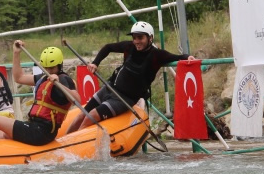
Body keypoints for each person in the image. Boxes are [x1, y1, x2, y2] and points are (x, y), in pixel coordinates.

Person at [66, 21, 194, 133]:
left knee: (91, 115)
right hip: (110, 88)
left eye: (140, 38)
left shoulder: (157, 55)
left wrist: (188, 57)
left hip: (124, 99)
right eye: (134, 38)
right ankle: (64, 141)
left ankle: (74, 144)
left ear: (150, 38)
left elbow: (177, 57)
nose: (137, 41)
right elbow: (108, 47)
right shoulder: (129, 47)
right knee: (82, 114)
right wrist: (95, 62)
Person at [0, 42, 79, 145]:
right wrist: (16, 53)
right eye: (46, 68)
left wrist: (59, 84)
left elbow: (78, 100)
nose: (49, 71)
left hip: (41, 132)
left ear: (60, 65)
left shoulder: (64, 79)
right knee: (3, 135)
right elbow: (19, 78)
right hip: (34, 126)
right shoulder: (44, 77)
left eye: (52, 68)